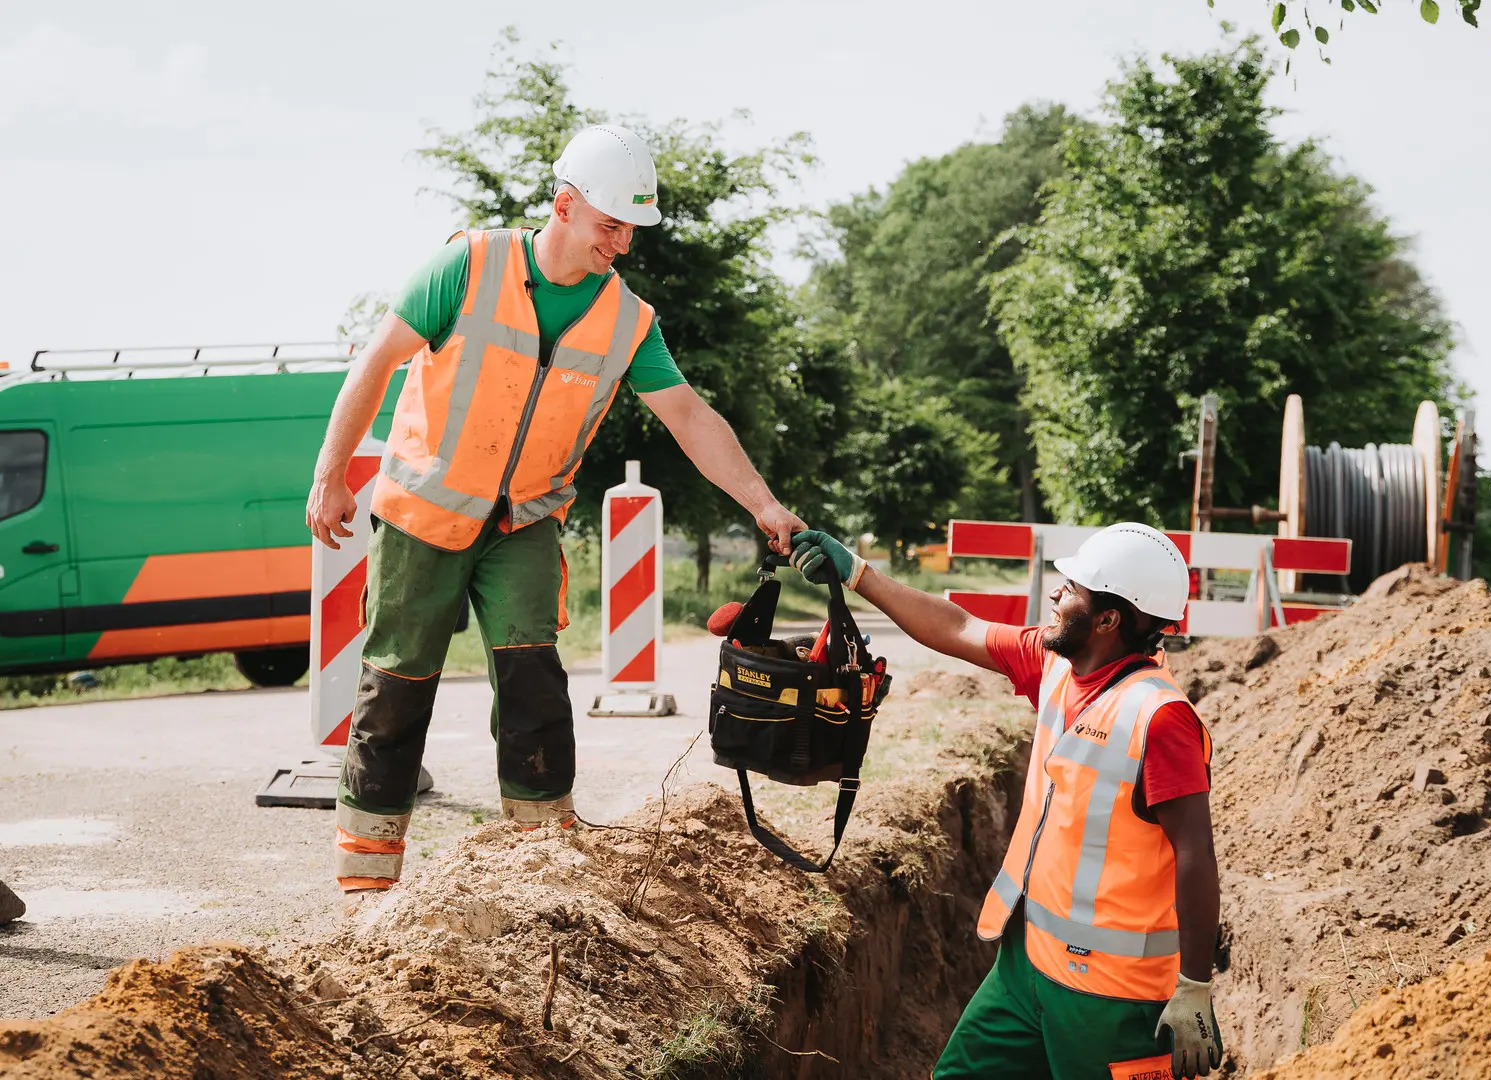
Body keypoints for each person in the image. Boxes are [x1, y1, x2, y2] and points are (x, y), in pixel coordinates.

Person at [305, 124, 804, 894]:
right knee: (397, 692)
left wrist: (764, 502)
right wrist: (330, 473)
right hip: (422, 519)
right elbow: (376, 360)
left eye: (632, 231)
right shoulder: (467, 266)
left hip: (524, 524)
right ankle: (365, 886)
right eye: (612, 226)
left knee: (536, 689)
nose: (624, 247)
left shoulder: (627, 321)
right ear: (563, 207)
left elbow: (691, 418)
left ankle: (543, 871)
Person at [791, 524, 1223, 1080]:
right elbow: (958, 626)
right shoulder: (1059, 666)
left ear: (1109, 621)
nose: (1054, 594)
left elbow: (1197, 853)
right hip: (1027, 965)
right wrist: (856, 573)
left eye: (1071, 590)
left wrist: (1193, 985)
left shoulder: (1161, 719)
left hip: (1112, 996)